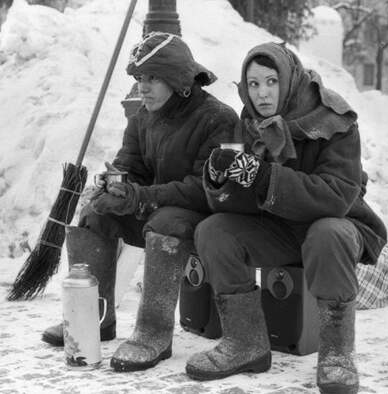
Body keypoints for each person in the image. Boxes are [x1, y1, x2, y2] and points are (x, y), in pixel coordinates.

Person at [185, 42, 387, 394]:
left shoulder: (333, 120)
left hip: (337, 226)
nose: (262, 94)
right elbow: (236, 206)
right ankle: (245, 343)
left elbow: (337, 195)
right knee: (213, 231)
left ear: (289, 79)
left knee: (328, 233)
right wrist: (221, 181)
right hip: (280, 229)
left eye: (271, 81)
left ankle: (337, 355)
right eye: (253, 84)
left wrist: (262, 177)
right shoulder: (250, 125)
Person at [41, 32, 239, 373]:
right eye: (139, 78)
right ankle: (94, 318)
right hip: (157, 208)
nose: (143, 87)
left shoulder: (217, 118)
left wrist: (141, 198)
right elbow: (131, 164)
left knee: (165, 223)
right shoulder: (142, 115)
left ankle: (153, 334)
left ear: (178, 80)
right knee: (95, 214)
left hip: (204, 218)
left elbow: (203, 189)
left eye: (153, 78)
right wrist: (116, 187)